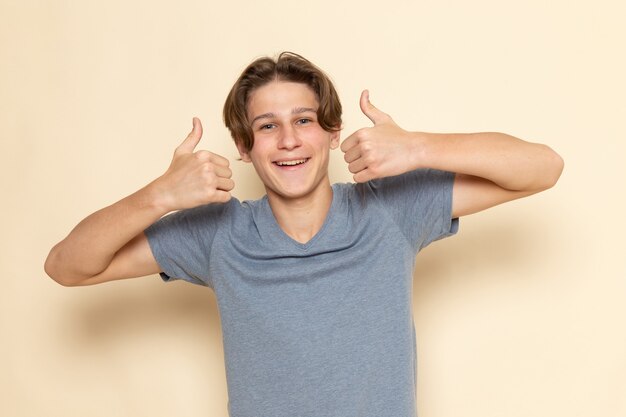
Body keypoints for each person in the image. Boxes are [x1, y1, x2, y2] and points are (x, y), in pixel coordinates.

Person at [45, 52, 564, 417]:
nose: (289, 139)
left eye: (305, 120)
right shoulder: (219, 233)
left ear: (333, 133)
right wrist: (160, 194)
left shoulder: (389, 211)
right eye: (267, 125)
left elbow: (542, 168)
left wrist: (418, 148)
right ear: (244, 147)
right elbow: (68, 266)